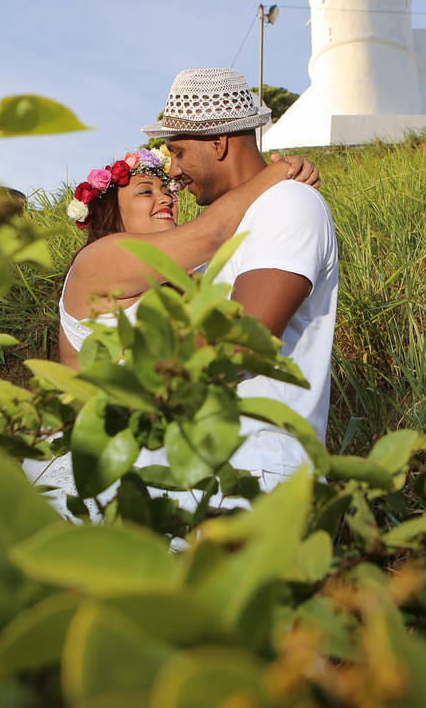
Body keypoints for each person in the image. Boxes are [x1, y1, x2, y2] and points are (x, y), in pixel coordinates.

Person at [21, 142, 320, 515]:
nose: (165, 198)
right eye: (145, 191)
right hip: (92, 453)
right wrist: (278, 172)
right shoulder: (100, 258)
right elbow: (211, 234)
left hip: (151, 450)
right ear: (109, 211)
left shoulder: (180, 281)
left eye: (167, 190)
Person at [140, 67, 338, 491]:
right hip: (213, 464)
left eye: (177, 152)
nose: (172, 171)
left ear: (218, 141)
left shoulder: (288, 202)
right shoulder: (239, 227)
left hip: (256, 466)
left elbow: (241, 342)